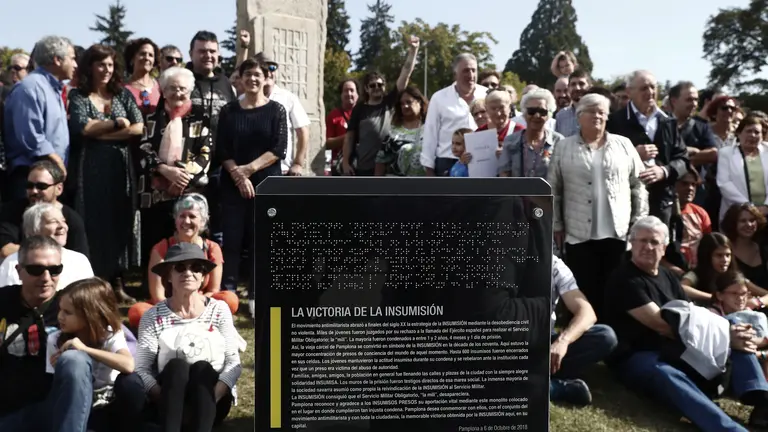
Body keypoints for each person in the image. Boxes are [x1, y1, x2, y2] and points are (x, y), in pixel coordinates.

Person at [605, 216, 768, 431]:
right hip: (639, 355)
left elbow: (692, 316)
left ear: (664, 249)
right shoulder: (625, 278)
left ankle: (761, 401)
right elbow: (661, 325)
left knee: (735, 324)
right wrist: (726, 338)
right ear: (631, 244)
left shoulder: (668, 276)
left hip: (678, 348)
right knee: (668, 374)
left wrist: (729, 333)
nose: (647, 247)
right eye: (641, 241)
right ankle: (728, 428)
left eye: (654, 242)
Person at [548, 93, 648, 320]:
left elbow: (639, 184)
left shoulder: (624, 145)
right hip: (578, 233)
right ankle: (589, 341)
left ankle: (615, 343)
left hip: (618, 232)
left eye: (602, 111)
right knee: (585, 290)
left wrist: (639, 221)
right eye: (591, 110)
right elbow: (554, 188)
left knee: (616, 290)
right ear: (579, 116)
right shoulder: (563, 147)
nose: (597, 115)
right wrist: (556, 224)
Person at [132, 242, 242, 431]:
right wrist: (165, 398)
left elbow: (234, 362)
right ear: (168, 276)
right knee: (177, 367)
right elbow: (142, 368)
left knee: (202, 368)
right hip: (168, 400)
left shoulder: (219, 309)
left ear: (203, 277)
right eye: (180, 267)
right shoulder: (153, 316)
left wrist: (209, 399)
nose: (188, 273)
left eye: (196, 268)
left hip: (212, 398)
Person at [68, 44, 143, 302]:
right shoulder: (79, 96)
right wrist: (115, 124)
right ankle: (98, 282)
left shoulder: (122, 95)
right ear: (90, 66)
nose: (106, 70)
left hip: (121, 168)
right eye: (101, 64)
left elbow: (138, 128)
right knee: (96, 222)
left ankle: (118, 282)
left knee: (120, 219)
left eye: (110, 65)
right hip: (92, 170)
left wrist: (105, 132)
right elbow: (83, 127)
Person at [217, 58, 287, 317]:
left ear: (265, 78)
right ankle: (229, 293)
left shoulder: (276, 110)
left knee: (261, 240)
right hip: (233, 184)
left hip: (266, 184)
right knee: (232, 240)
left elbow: (278, 149)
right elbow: (222, 150)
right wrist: (239, 176)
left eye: (258, 74)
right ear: (241, 78)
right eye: (248, 74)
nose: (253, 79)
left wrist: (248, 170)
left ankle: (256, 294)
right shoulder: (229, 112)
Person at [0, 236, 92, 431]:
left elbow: (117, 348)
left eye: (54, 270)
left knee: (75, 360)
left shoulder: (77, 305)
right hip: (10, 414)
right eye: (36, 270)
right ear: (18, 271)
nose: (46, 278)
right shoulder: (3, 301)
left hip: (57, 407)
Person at [137, 66, 212, 265]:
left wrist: (182, 179)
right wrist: (164, 170)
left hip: (189, 190)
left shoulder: (200, 117)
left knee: (187, 237)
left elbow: (205, 153)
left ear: (189, 91)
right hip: (155, 191)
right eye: (172, 88)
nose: (177, 93)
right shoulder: (152, 118)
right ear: (163, 90)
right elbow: (143, 148)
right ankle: (154, 286)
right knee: (156, 238)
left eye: (182, 89)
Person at [128, 194, 237, 324]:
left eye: (192, 216)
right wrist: (177, 312)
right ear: (175, 220)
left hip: (201, 303)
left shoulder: (212, 248)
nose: (186, 221)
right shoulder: (161, 248)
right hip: (168, 306)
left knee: (230, 299)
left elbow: (213, 290)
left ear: (203, 221)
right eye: (182, 216)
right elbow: (157, 295)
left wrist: (194, 306)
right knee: (137, 312)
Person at [45, 277, 135, 431]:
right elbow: (57, 393)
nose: (60, 316)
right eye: (60, 309)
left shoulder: (110, 334)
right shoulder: (55, 339)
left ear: (89, 315)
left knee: (132, 382)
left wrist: (85, 349)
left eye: (68, 312)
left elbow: (128, 365)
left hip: (107, 407)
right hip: (73, 410)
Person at [607, 70, 689, 227]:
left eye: (653, 87)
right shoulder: (615, 121)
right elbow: (603, 159)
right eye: (644, 88)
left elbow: (683, 159)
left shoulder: (668, 121)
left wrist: (664, 171)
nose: (650, 92)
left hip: (662, 204)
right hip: (626, 204)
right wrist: (633, 155)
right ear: (629, 92)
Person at [3, 36, 76, 200]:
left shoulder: (53, 89)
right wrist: (57, 160)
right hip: (29, 179)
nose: (75, 64)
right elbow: (31, 136)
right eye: (72, 58)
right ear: (57, 59)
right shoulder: (30, 88)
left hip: (49, 177)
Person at [549, 255, 617, 406]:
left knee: (604, 336)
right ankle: (556, 388)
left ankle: (534, 376)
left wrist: (563, 341)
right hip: (506, 341)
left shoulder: (554, 265)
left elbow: (586, 312)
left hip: (543, 341)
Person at [0, 159, 88, 260]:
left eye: (41, 186)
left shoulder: (72, 219)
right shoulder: (10, 211)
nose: (34, 191)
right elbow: (5, 250)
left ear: (59, 188)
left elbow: (80, 259)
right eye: (29, 186)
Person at [420, 53, 488, 176]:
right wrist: (429, 169)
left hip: (481, 161)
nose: (471, 75)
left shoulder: (487, 94)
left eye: (474, 70)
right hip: (448, 162)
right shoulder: (439, 98)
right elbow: (430, 134)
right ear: (455, 74)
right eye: (466, 71)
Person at [0, 203, 93, 289]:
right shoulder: (13, 262)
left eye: (63, 221)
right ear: (34, 230)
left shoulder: (79, 260)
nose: (62, 226)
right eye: (53, 222)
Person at [499, 88, 562, 178]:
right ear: (524, 114)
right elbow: (504, 175)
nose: (537, 116)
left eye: (542, 112)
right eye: (531, 111)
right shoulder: (510, 141)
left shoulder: (559, 142)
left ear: (549, 115)